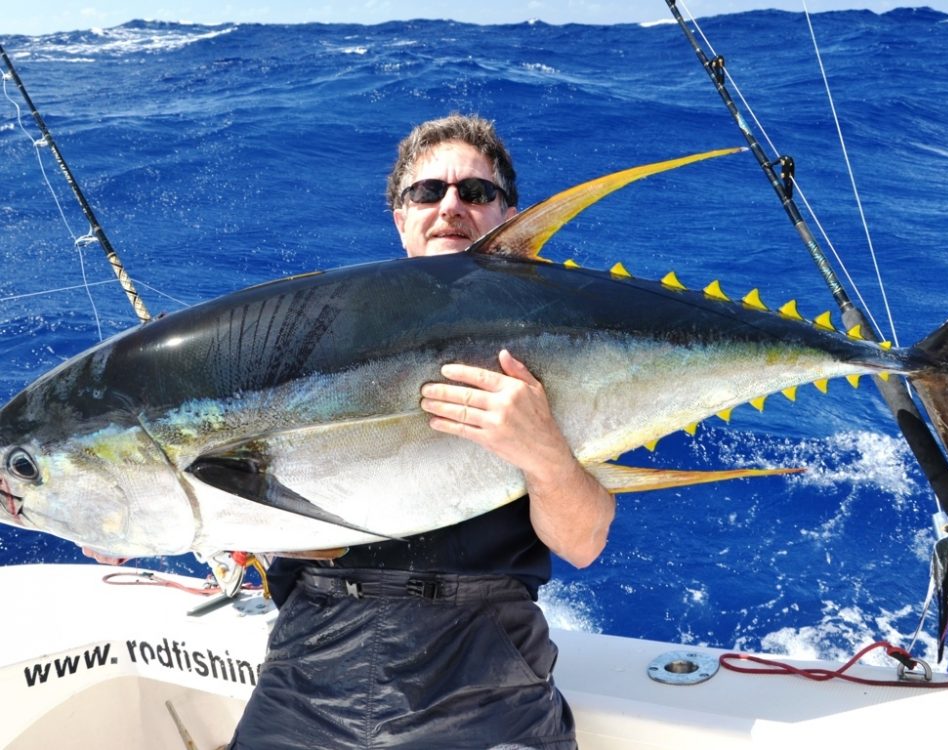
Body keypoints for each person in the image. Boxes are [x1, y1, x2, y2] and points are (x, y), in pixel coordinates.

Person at [95, 114, 616, 749]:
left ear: (509, 213)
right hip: (309, 666)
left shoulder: (549, 346)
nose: (451, 206)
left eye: (476, 193)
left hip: (485, 674)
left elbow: (584, 543)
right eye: (427, 192)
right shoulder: (312, 333)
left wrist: (547, 457)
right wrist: (117, 516)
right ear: (401, 218)